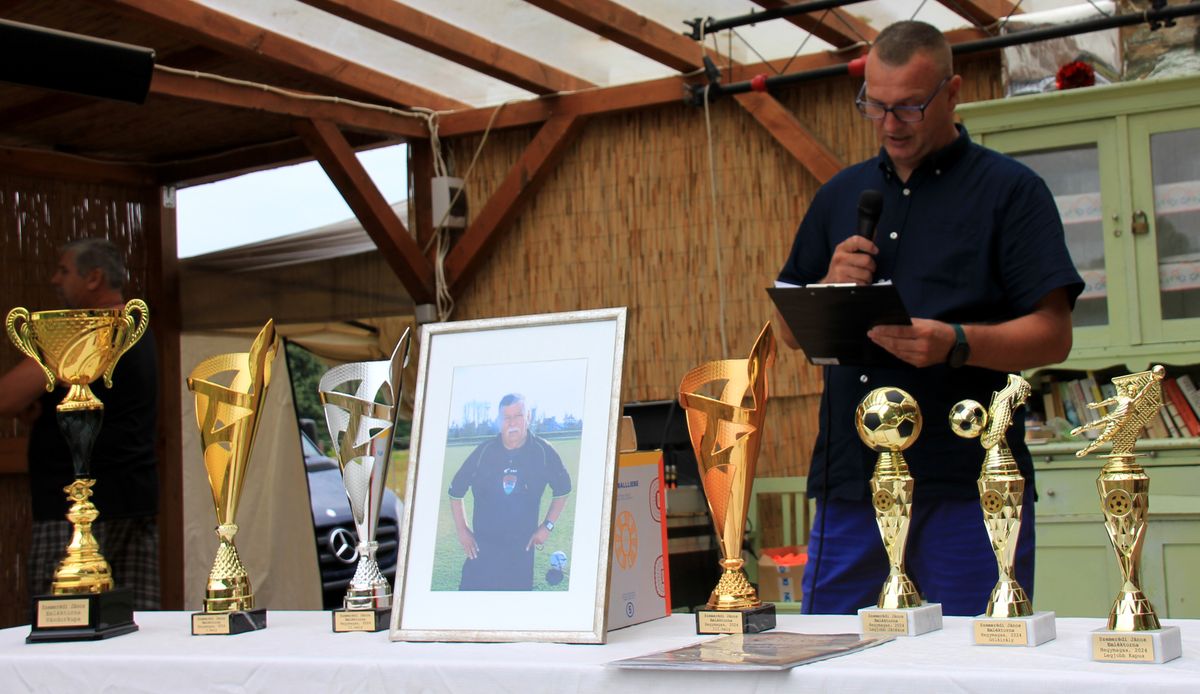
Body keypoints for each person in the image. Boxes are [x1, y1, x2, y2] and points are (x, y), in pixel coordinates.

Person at [775, 21, 1083, 616]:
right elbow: (789, 330)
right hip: (851, 481)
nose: (891, 125)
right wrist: (828, 286)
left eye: (910, 107)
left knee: (976, 663)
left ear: (953, 91)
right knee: (833, 663)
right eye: (876, 106)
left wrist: (957, 344)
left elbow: (1055, 334)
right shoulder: (840, 195)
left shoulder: (1012, 193)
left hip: (969, 483)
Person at [0, 238, 160, 610]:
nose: (55, 280)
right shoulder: (135, 328)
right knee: (133, 619)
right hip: (133, 494)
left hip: (80, 508)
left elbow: (7, 397)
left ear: (94, 278)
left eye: (64, 271)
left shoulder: (90, 331)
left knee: (64, 620)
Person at [448, 393, 571, 591]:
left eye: (518, 416)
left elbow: (563, 489)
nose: (512, 423)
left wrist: (547, 526)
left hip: (520, 558)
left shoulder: (543, 452)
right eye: (506, 417)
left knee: (516, 619)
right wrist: (462, 530)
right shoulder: (484, 452)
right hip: (481, 556)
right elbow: (455, 492)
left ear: (528, 417)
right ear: (499, 421)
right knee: (469, 617)